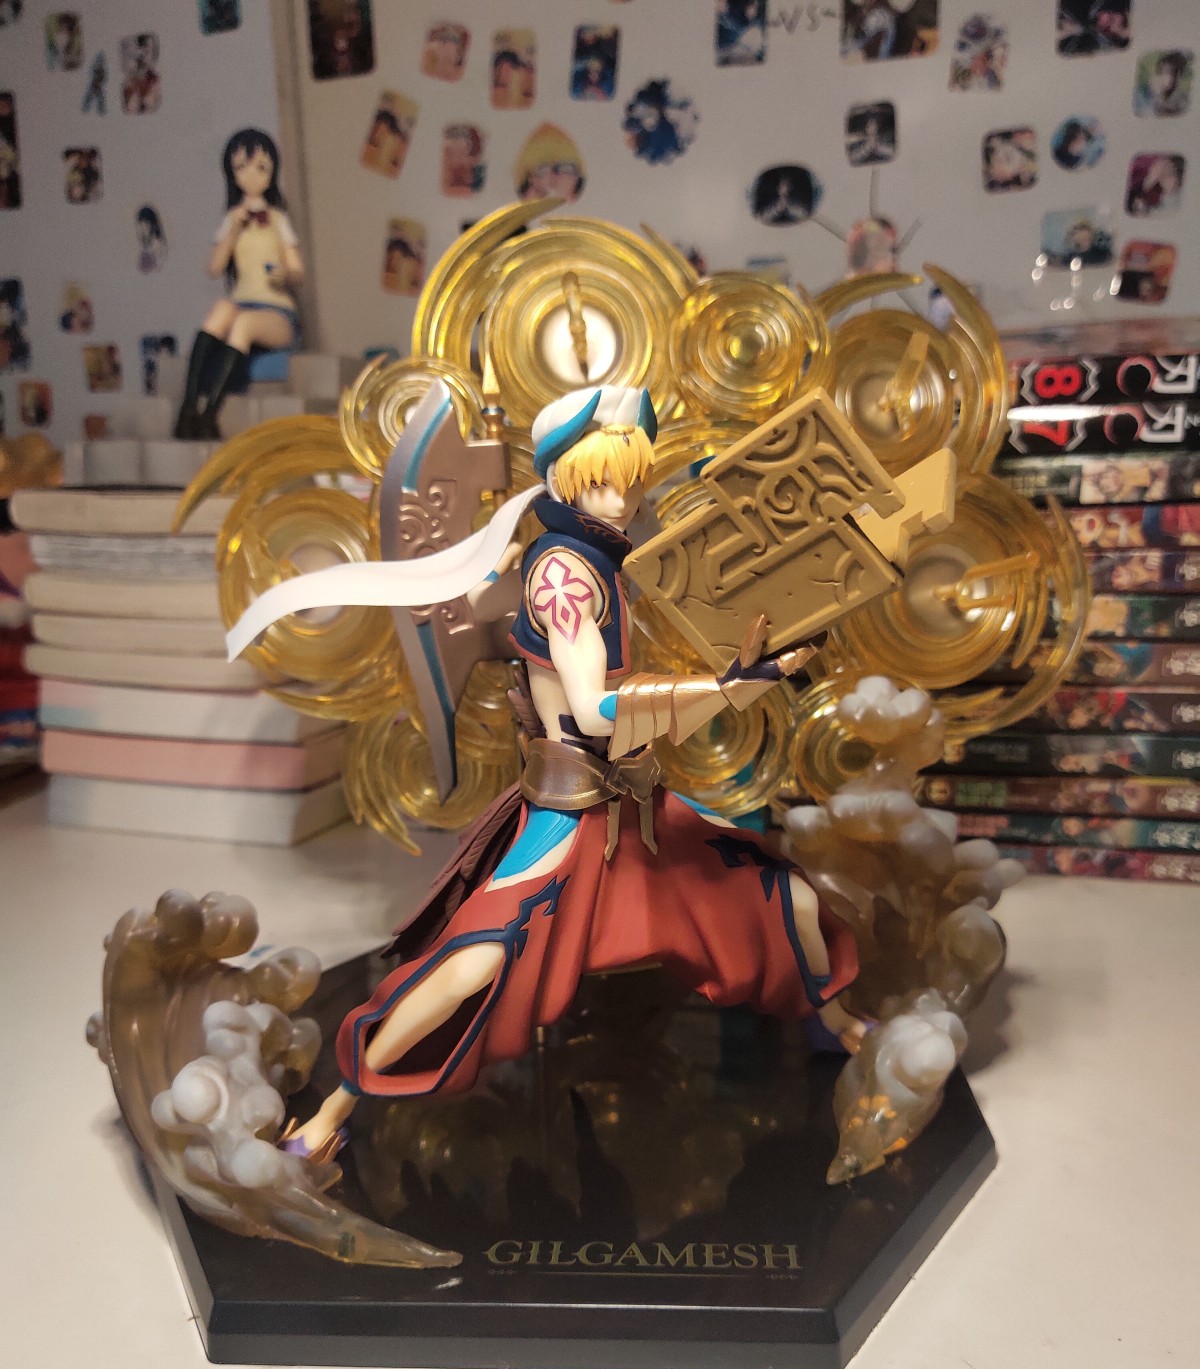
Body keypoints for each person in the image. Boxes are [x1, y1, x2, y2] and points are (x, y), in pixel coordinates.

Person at [247, 386, 862, 1158]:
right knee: (473, 968)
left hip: (636, 814)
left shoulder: (592, 559)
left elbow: (492, 610)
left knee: (782, 895)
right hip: (571, 818)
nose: (621, 497)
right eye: (601, 481)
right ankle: (331, 1114)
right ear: (564, 480)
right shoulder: (566, 577)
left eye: (629, 480)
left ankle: (840, 1023)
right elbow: (597, 711)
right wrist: (731, 689)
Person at [174, 128, 302, 441]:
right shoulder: (232, 219)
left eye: (261, 167)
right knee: (220, 310)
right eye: (242, 168)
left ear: (271, 173)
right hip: (241, 301)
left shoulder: (278, 220)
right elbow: (215, 268)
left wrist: (283, 274)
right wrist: (233, 229)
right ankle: (188, 409)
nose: (252, 176)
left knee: (243, 324)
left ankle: (210, 414)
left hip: (276, 312)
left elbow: (298, 270)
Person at [135, 204, 166, 272]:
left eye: (145, 226)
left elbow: (156, 270)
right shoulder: (143, 248)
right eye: (140, 226)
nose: (141, 231)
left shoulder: (157, 248)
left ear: (152, 226)